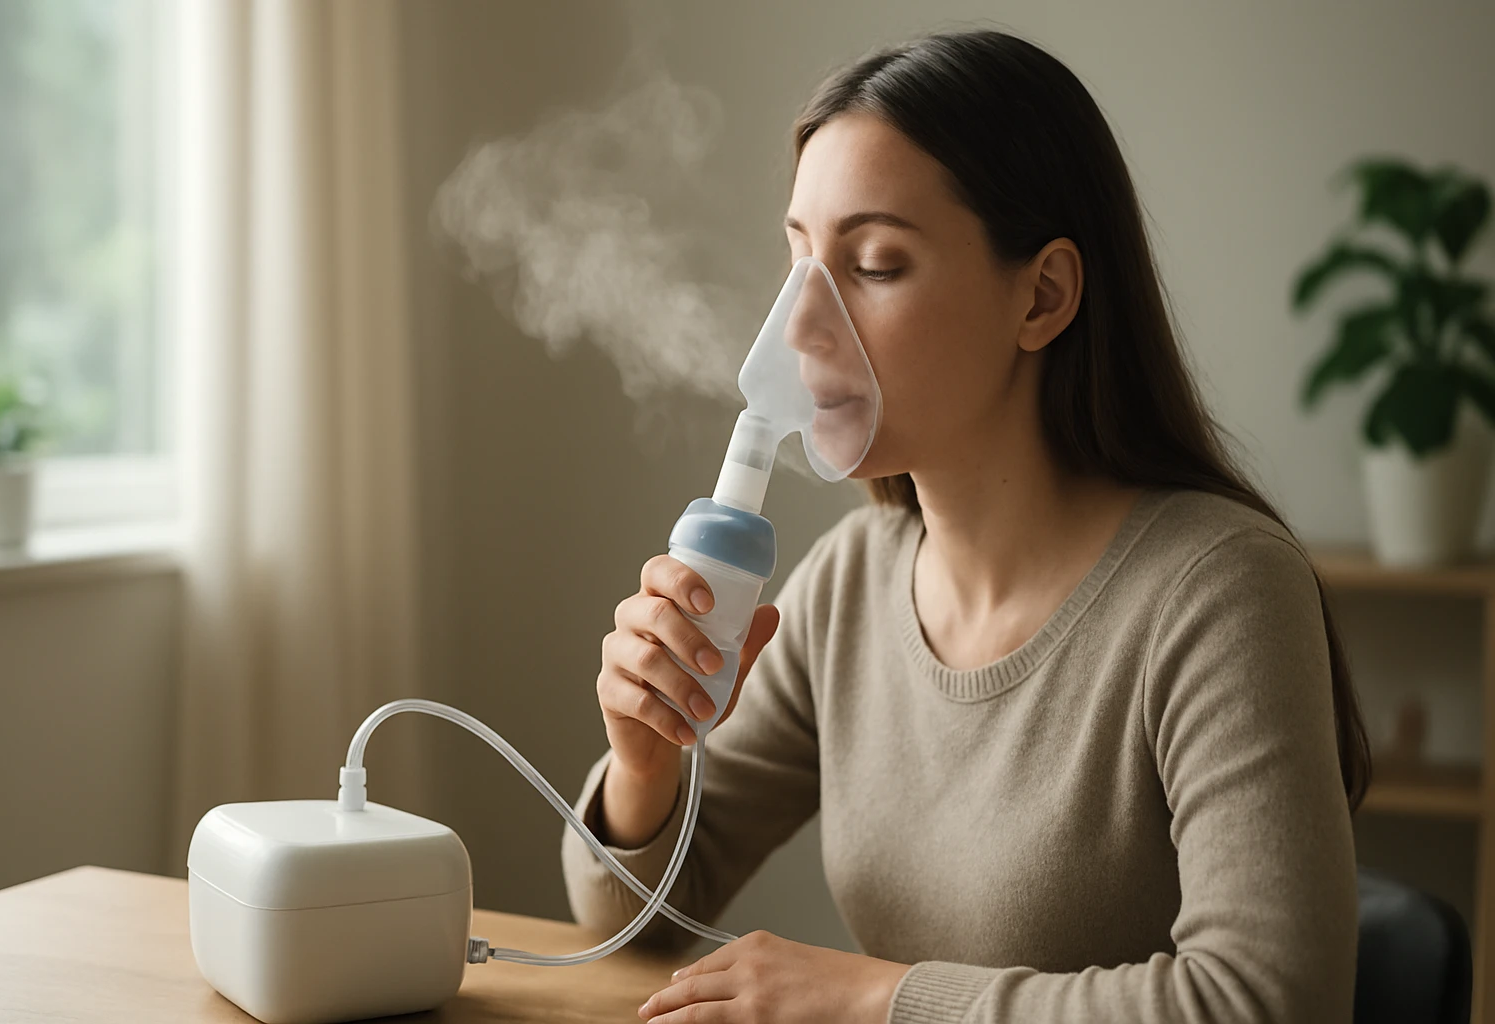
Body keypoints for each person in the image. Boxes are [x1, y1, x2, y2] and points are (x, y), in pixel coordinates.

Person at [561, 26, 1369, 1024]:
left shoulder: (1218, 592)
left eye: (875, 265)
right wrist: (646, 763)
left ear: (1043, 296)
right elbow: (627, 919)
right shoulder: (851, 583)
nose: (800, 325)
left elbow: (1270, 1001)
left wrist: (874, 998)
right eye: (800, 258)